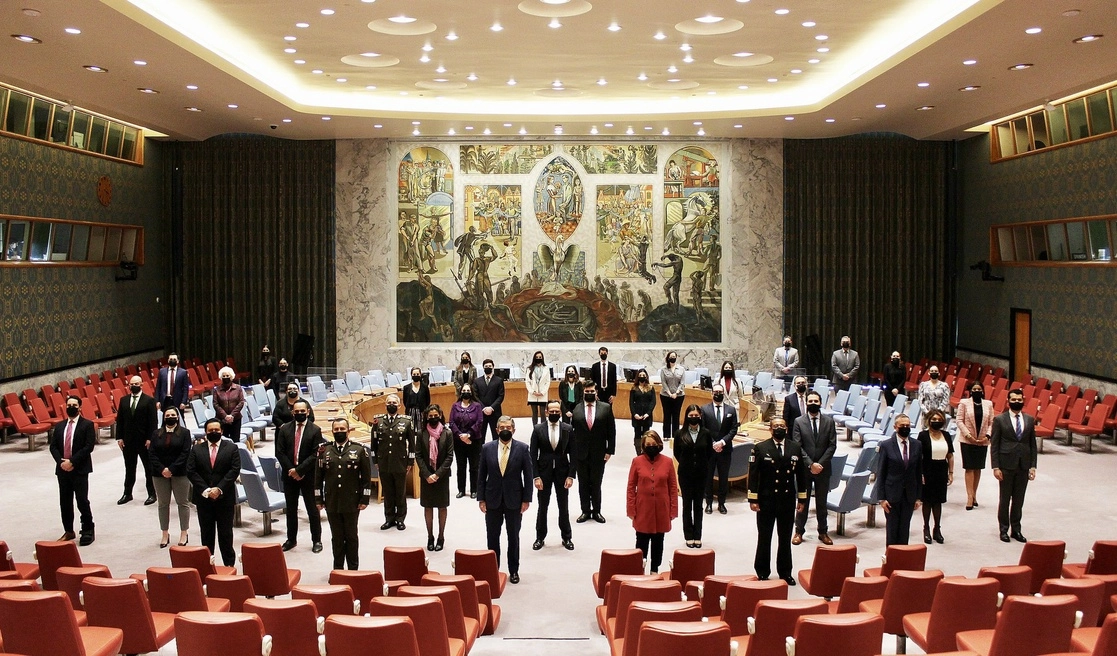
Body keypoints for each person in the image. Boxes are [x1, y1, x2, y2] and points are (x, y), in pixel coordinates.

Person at [749, 418, 808, 583]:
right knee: (764, 537)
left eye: (782, 426)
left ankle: (785, 572)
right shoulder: (760, 448)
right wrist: (753, 499)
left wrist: (802, 499)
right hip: (766, 500)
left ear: (786, 428)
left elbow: (801, 476)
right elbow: (754, 476)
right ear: (770, 429)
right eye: (776, 426)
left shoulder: (795, 448)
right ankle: (762, 571)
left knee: (785, 538)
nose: (779, 428)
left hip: (787, 500)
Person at [477, 416, 533, 584]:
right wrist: (481, 498)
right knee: (492, 537)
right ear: (496, 430)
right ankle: (494, 570)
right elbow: (481, 476)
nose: (505, 430)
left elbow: (528, 476)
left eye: (508, 427)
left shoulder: (522, 449)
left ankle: (514, 570)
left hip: (514, 500)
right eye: (501, 428)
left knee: (513, 537)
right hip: (492, 498)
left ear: (514, 430)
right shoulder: (487, 448)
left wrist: (526, 499)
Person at [315, 417, 372, 570]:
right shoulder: (324, 450)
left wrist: (364, 498)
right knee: (337, 538)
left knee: (351, 537)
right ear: (332, 431)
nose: (339, 432)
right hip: (332, 501)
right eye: (336, 430)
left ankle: (353, 570)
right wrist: (318, 498)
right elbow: (318, 478)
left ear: (348, 431)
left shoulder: (359, 450)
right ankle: (338, 569)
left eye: (342, 429)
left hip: (352, 501)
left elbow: (366, 478)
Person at [187, 419, 240, 567]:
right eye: (211, 430)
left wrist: (219, 489)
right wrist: (206, 490)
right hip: (204, 499)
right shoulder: (197, 449)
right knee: (206, 535)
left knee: (226, 535)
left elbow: (234, 470)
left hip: (225, 498)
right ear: (206, 432)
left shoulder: (231, 448)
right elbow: (191, 471)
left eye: (217, 430)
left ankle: (229, 566)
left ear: (222, 431)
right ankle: (207, 567)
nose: (214, 432)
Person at [275, 399, 325, 553]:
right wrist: (291, 470)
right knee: (291, 509)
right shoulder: (284, 429)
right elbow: (280, 452)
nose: (300, 414)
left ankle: (316, 540)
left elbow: (315, 454)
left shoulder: (315, 430)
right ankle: (291, 539)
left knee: (312, 509)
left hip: (308, 476)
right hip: (290, 476)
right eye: (297, 412)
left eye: (302, 412)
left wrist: (300, 471)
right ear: (292, 413)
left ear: (308, 412)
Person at [626, 430, 678, 574]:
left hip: (662, 509)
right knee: (641, 542)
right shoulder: (637, 461)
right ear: (643, 446)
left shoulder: (667, 462)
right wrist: (631, 509)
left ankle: (655, 570)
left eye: (653, 444)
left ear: (659, 444)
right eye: (648, 444)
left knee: (658, 542)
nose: (651, 447)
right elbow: (631, 487)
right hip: (643, 509)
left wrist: (673, 510)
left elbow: (673, 488)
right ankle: (639, 571)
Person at [991, 389, 1037, 543]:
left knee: (1018, 500)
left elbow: (1032, 445)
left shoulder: (1029, 420)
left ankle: (1016, 530)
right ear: (1008, 401)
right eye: (1014, 399)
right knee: (1005, 499)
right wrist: (995, 467)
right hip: (1006, 465)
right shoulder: (1000, 420)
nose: (1017, 402)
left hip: (1023, 465)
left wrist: (1033, 466)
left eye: (1019, 399)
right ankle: (1003, 529)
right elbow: (994, 445)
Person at [791, 390, 837, 545]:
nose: (812, 404)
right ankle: (798, 531)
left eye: (815, 401)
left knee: (822, 503)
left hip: (823, 469)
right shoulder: (799, 421)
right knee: (802, 501)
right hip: (805, 469)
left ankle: (823, 532)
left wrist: (820, 464)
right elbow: (797, 446)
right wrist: (811, 464)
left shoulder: (829, 421)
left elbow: (832, 446)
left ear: (820, 403)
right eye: (810, 401)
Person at [50, 395, 97, 545]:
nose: (71, 407)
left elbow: (88, 447)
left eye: (74, 405)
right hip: (62, 469)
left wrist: (72, 462)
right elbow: (53, 447)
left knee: (82, 500)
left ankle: (88, 529)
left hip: (79, 468)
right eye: (68, 405)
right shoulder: (59, 426)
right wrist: (61, 462)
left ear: (80, 407)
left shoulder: (87, 425)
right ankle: (69, 531)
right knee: (65, 501)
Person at [530, 401, 575, 551]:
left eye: (557, 411)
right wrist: (535, 476)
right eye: (552, 411)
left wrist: (571, 476)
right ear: (547, 412)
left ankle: (567, 537)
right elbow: (532, 455)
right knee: (543, 507)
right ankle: (539, 537)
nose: (555, 413)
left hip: (562, 473)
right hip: (544, 474)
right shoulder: (538, 429)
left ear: (560, 413)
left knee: (564, 506)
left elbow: (574, 455)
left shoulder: (568, 429)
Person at [874, 414, 923, 546]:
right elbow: (881, 473)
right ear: (895, 427)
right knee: (892, 530)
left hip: (909, 495)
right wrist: (882, 498)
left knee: (904, 529)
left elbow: (918, 473)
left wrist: (918, 497)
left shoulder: (917, 445)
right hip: (891, 495)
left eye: (908, 426)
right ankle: (890, 560)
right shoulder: (886, 445)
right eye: (902, 426)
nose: (906, 428)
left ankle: (902, 559)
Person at [148, 407, 192, 549]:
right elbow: (152, 453)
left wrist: (171, 469)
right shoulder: (156, 433)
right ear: (164, 418)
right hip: (159, 474)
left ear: (178, 417)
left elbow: (185, 453)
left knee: (182, 503)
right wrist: (162, 469)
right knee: (163, 504)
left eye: (173, 415)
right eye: (168, 415)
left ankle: (184, 532)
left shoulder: (185, 433)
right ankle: (165, 533)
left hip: (179, 473)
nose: (171, 417)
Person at [572, 381, 616, 523]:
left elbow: (611, 431)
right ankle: (585, 511)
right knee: (583, 483)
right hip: (580, 453)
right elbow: (571, 433)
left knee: (596, 483)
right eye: (587, 392)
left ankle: (596, 511)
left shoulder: (606, 408)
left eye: (592, 391)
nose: (589, 394)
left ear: (596, 392)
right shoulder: (576, 409)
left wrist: (610, 450)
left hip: (599, 452)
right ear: (583, 392)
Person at [372, 393, 414, 531]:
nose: (391, 405)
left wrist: (410, 462)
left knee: (400, 492)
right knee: (388, 492)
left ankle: (400, 519)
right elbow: (374, 444)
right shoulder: (378, 421)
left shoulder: (406, 421)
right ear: (385, 405)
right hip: (384, 462)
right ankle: (389, 518)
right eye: (389, 403)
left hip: (400, 462)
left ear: (399, 405)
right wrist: (375, 460)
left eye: (394, 403)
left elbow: (412, 445)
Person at [416, 404, 454, 552]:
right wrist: (427, 475)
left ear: (440, 415)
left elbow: (450, 457)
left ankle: (441, 536)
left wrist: (437, 474)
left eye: (435, 415)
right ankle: (430, 536)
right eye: (430, 416)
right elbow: (418, 456)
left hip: (442, 476)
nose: (433, 418)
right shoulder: (421, 433)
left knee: (442, 506)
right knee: (428, 506)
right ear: (426, 417)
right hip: (426, 477)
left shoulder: (447, 433)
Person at [115, 375, 157, 505]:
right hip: (128, 441)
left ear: (141, 385)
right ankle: (127, 493)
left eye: (136, 384)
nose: (133, 386)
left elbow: (153, 422)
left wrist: (150, 438)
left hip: (144, 441)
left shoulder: (149, 400)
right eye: (131, 384)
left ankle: (152, 494)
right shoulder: (123, 400)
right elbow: (120, 420)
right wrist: (119, 437)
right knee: (129, 468)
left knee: (148, 468)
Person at [674, 404, 712, 548]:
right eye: (691, 416)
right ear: (686, 417)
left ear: (700, 417)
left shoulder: (706, 433)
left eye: (696, 415)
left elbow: (708, 453)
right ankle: (688, 535)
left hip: (701, 474)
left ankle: (698, 535)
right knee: (686, 505)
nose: (694, 418)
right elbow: (678, 453)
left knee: (698, 506)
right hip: (685, 474)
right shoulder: (680, 433)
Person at [918, 409, 954, 544]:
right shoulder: (923, 435)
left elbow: (950, 455)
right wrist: (920, 473)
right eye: (934, 420)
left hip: (941, 470)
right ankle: (926, 528)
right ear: (928, 421)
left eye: (939, 420)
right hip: (927, 469)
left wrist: (951, 472)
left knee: (938, 501)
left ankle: (937, 529)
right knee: (927, 501)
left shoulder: (946, 435)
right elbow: (919, 457)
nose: (936, 422)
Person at [701, 384, 738, 515]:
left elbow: (734, 429)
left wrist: (722, 442)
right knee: (708, 477)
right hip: (709, 450)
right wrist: (713, 443)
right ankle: (709, 503)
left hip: (725, 449)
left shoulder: (731, 410)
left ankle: (722, 503)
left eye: (720, 392)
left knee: (723, 477)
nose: (718, 394)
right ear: (712, 393)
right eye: (716, 391)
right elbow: (703, 428)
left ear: (723, 393)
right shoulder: (704, 409)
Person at [956, 380, 993, 510]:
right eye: (974, 389)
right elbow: (959, 420)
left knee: (977, 468)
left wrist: (987, 436)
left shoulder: (988, 404)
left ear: (982, 391)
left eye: (979, 389)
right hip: (968, 440)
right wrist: (968, 435)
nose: (977, 391)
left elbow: (991, 422)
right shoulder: (964, 403)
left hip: (983, 440)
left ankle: (975, 494)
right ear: (970, 391)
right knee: (969, 468)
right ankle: (969, 496)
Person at [450, 383, 484, 499]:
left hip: (474, 440)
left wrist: (469, 434)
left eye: (468, 390)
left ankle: (474, 490)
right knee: (461, 466)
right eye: (464, 390)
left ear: (471, 392)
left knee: (474, 466)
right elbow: (452, 423)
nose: (466, 392)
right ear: (461, 393)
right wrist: (461, 435)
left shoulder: (477, 406)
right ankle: (461, 490)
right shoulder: (455, 406)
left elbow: (479, 422)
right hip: (459, 441)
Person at [474, 359, 505, 442]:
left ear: (493, 367)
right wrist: (483, 408)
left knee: (496, 436)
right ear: (483, 368)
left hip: (495, 412)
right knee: (480, 436)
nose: (488, 368)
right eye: (486, 366)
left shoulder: (499, 380)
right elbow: (475, 396)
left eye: (490, 366)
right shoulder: (477, 381)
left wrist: (491, 408)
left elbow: (501, 396)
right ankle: (481, 454)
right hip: (481, 412)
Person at [658, 351, 686, 443]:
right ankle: (666, 435)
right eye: (671, 356)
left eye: (674, 356)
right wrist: (670, 394)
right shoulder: (663, 369)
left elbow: (682, 383)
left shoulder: (681, 369)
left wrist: (676, 393)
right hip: (666, 395)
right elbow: (663, 383)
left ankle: (675, 435)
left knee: (676, 415)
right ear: (668, 358)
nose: (673, 358)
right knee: (667, 415)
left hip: (679, 396)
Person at [212, 366, 245, 442]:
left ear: (231, 377)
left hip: (236, 419)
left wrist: (232, 415)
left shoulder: (238, 388)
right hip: (221, 419)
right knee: (223, 441)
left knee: (236, 440)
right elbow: (215, 404)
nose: (225, 377)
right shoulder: (217, 390)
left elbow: (241, 402)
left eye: (227, 376)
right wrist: (225, 416)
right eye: (223, 376)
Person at [628, 369, 656, 455]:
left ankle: (645, 451)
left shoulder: (651, 388)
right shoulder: (634, 388)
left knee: (646, 433)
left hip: (647, 415)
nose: (642, 377)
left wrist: (648, 413)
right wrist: (634, 414)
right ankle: (638, 452)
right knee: (637, 433)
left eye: (644, 375)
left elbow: (653, 402)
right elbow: (631, 403)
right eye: (640, 375)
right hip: (637, 414)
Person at [526, 351, 550, 425]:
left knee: (543, 413)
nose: (538, 359)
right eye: (537, 357)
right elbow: (527, 382)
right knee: (534, 413)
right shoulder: (529, 368)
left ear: (542, 358)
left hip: (542, 394)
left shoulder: (546, 368)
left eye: (540, 357)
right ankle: (535, 429)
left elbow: (548, 382)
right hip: (533, 395)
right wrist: (533, 392)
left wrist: (542, 392)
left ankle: (543, 428)